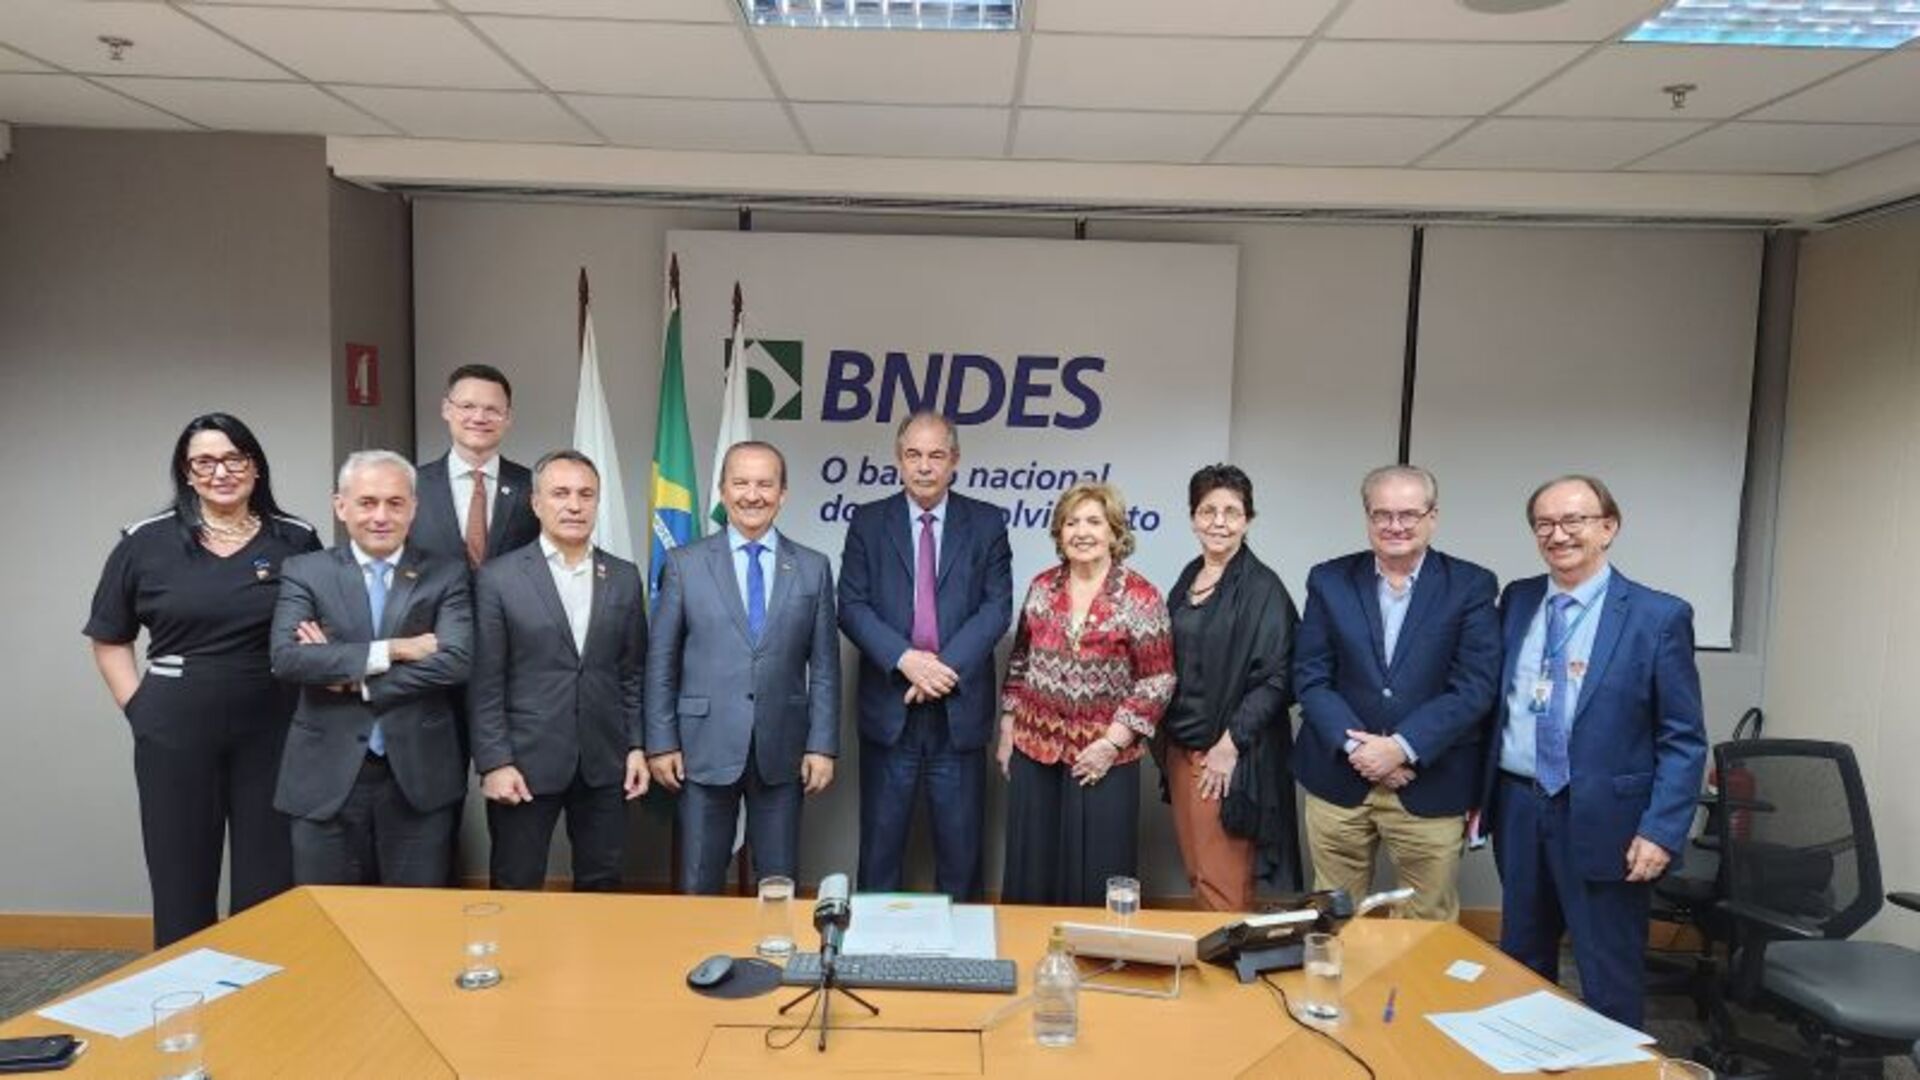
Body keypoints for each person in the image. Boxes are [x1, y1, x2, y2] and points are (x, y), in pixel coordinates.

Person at [85, 414, 322, 948]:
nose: (221, 472)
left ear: (255, 467)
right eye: (204, 462)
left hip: (273, 724)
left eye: (234, 459)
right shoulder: (145, 542)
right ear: (186, 473)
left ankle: (263, 991)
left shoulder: (296, 538)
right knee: (180, 876)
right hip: (174, 724)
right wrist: (139, 710)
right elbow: (108, 636)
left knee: (270, 879)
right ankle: (185, 993)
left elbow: (321, 620)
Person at [1479, 474, 1706, 1028]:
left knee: (1608, 972)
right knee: (1522, 959)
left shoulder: (1658, 616)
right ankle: (1527, 1055)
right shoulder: (1518, 599)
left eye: (1573, 520)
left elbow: (1682, 736)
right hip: (1520, 806)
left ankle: (1615, 1064)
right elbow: (1497, 705)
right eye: (1544, 523)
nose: (1558, 534)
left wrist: (1661, 830)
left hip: (1610, 818)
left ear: (1608, 527)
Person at [1292, 465, 1501, 923]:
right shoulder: (1328, 580)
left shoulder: (1471, 585)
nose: (1395, 525)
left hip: (1430, 781)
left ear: (1433, 517)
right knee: (1332, 919)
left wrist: (1401, 748)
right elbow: (1310, 676)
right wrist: (1361, 751)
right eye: (1382, 514)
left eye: (1408, 514)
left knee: (1426, 924)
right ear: (1367, 517)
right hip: (1339, 779)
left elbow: (1475, 687)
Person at [270, 451, 473, 887]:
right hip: (325, 775)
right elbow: (288, 658)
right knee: (328, 916)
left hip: (419, 776)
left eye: (395, 503)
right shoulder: (306, 572)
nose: (381, 516)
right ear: (341, 506)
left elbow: (455, 661)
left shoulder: (446, 574)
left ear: (413, 508)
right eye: (367, 502)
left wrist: (353, 681)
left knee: (414, 917)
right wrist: (394, 649)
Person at [645, 441, 839, 895]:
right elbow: (661, 662)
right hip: (702, 746)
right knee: (699, 879)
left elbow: (825, 667)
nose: (753, 495)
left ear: (783, 493)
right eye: (741, 483)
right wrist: (661, 741)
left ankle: (773, 946)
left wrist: (822, 746)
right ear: (722, 491)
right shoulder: (685, 564)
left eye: (765, 484)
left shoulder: (812, 568)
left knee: (778, 882)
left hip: (783, 748)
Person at [838, 412, 1013, 901]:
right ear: (898, 460)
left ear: (954, 460)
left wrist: (941, 669)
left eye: (936, 455)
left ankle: (962, 946)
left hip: (958, 712)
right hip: (889, 707)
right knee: (879, 853)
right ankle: (874, 945)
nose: (924, 466)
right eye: (913, 455)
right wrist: (905, 660)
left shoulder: (987, 523)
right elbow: (850, 606)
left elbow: (996, 608)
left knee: (961, 856)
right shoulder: (868, 522)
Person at [468, 450, 649, 892]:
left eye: (586, 494)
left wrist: (636, 746)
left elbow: (632, 673)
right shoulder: (499, 578)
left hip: (605, 761)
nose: (574, 505)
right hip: (524, 765)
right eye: (561, 493)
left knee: (603, 885)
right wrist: (495, 762)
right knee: (516, 884)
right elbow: (485, 681)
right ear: (536, 503)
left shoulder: (623, 576)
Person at [999, 482, 1174, 906]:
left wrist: (1112, 743)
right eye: (1071, 522)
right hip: (1034, 749)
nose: (1081, 532)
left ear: (1114, 532)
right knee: (1032, 871)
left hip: (1104, 757)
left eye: (1094, 522)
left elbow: (1158, 679)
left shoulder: (1140, 596)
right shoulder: (1042, 587)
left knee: (1096, 874)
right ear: (1059, 533)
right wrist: (1007, 730)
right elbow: (1020, 661)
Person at [1157, 465, 1301, 912]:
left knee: (1223, 888)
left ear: (1248, 519)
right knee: (1200, 874)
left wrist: (1228, 745)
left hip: (1227, 754)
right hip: (1182, 747)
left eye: (1231, 512)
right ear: (1193, 518)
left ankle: (1233, 958)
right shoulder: (1190, 576)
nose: (1219, 522)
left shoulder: (1263, 588)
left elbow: (1279, 677)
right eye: (1208, 511)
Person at [412, 364, 541, 570]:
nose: (479, 418)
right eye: (467, 406)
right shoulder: (411, 485)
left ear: (508, 417)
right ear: (446, 409)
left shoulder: (532, 486)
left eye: (492, 409)